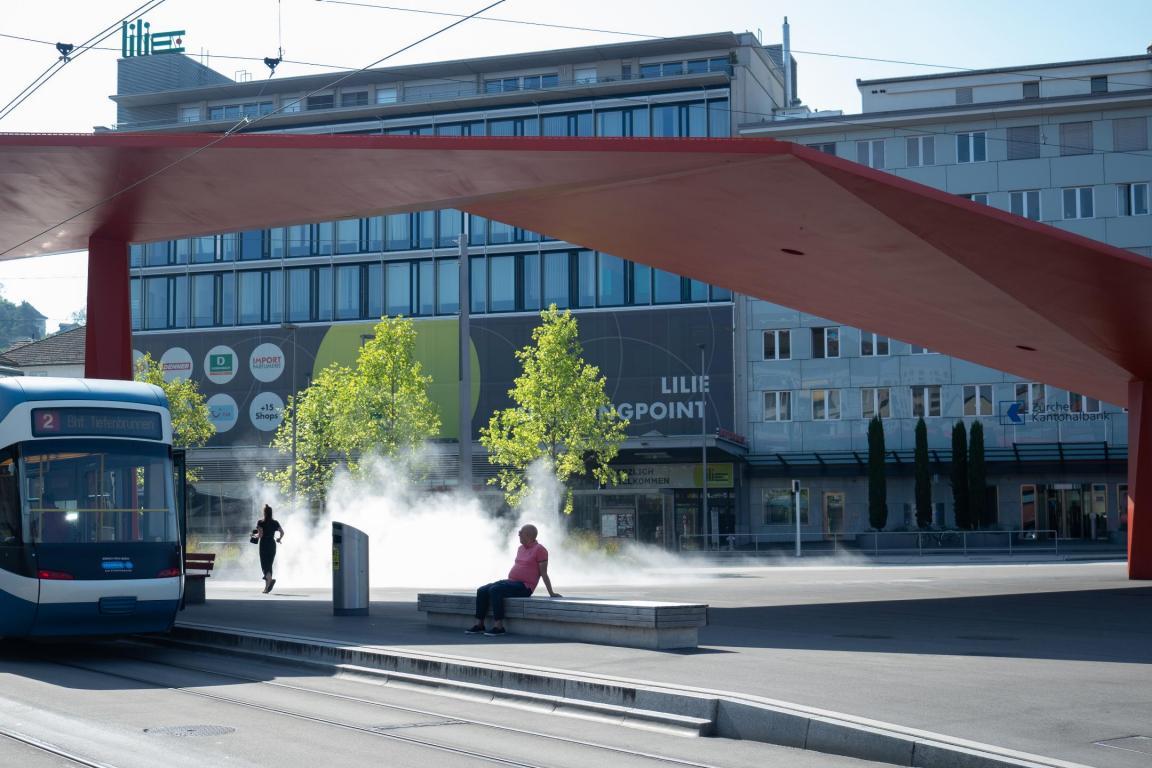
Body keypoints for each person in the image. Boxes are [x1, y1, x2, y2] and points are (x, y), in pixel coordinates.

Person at [467, 523, 560, 637]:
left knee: (495, 590)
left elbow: (544, 573)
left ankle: (499, 626)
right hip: (511, 582)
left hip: (525, 587)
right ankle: (479, 625)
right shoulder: (520, 548)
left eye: (520, 532)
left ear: (529, 535)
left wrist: (551, 593)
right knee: (482, 590)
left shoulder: (540, 550)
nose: (518, 534)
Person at [255, 504, 284, 593]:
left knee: (265, 565)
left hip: (264, 544)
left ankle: (270, 581)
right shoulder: (275, 522)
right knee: (269, 565)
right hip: (272, 544)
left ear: (264, 513)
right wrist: (279, 539)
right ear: (271, 513)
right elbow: (282, 532)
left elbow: (260, 535)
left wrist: (253, 535)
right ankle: (267, 588)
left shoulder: (260, 522)